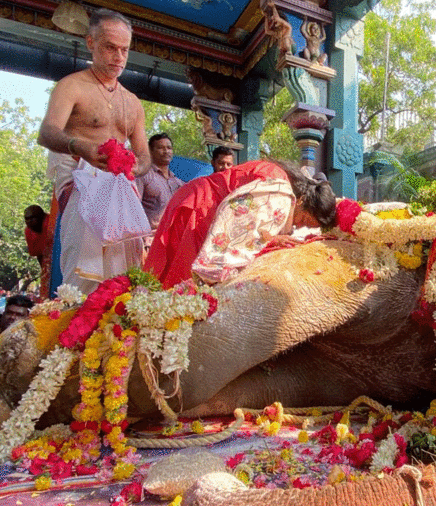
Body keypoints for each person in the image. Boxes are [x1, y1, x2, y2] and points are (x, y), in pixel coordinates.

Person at [37, 8, 150, 295]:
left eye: (124, 50)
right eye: (110, 47)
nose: (119, 57)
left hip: (121, 189)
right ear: (90, 43)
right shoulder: (71, 86)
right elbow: (47, 133)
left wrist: (137, 168)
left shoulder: (133, 102)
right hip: (81, 182)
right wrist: (80, 146)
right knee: (83, 275)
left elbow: (144, 155)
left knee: (128, 275)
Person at [144, 159, 336, 288]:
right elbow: (238, 225)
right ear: (302, 201)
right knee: (180, 284)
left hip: (194, 200)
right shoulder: (283, 196)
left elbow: (254, 223)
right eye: (303, 220)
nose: (297, 225)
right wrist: (270, 243)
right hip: (200, 213)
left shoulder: (281, 181)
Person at [136, 133, 184, 230]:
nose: (166, 151)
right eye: (160, 148)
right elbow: (133, 208)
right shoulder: (143, 176)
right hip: (150, 237)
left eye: (169, 148)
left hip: (173, 235)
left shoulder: (178, 182)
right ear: (150, 151)